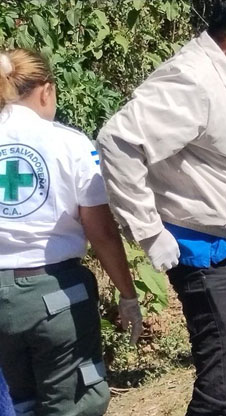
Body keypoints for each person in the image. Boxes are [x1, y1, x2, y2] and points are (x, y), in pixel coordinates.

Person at [96, 1, 226, 414]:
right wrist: (149, 231)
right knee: (225, 394)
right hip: (213, 261)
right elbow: (118, 142)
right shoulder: (192, 79)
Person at [0, 48, 141, 415]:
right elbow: (102, 231)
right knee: (73, 406)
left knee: (15, 406)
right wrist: (127, 295)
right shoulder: (69, 142)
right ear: (46, 90)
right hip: (55, 299)